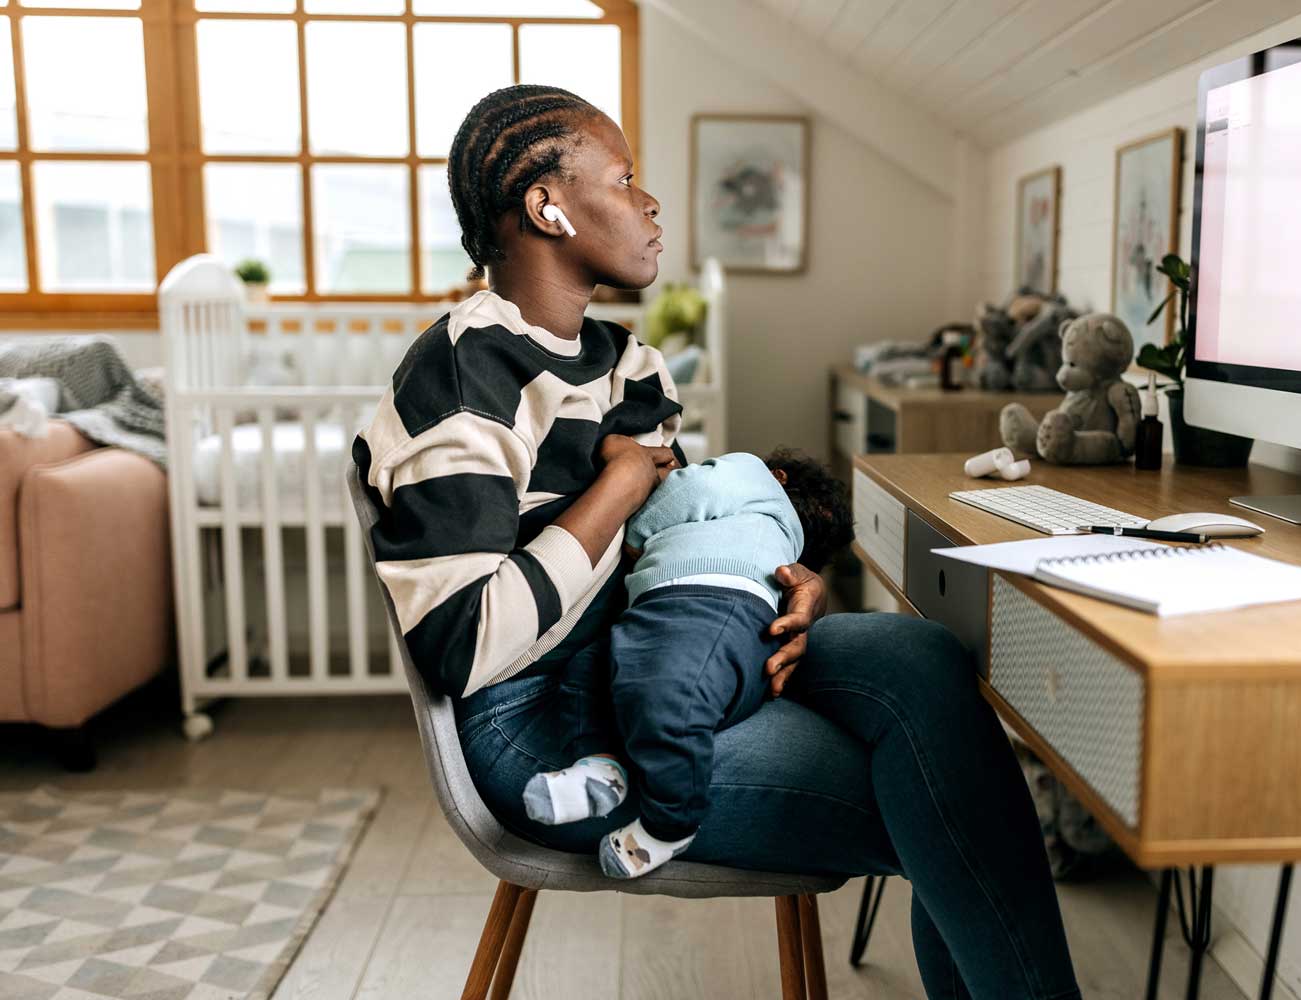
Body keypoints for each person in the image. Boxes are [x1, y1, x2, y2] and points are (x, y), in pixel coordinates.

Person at [353, 83, 1080, 1000]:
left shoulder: (625, 365)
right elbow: (459, 645)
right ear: (548, 206)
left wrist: (789, 581)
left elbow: (691, 529)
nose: (650, 203)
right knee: (949, 789)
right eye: (622, 180)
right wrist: (617, 488)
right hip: (547, 725)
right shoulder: (460, 379)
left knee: (927, 661)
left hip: (669, 641)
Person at [522, 449, 854, 880]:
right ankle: (600, 766)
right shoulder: (781, 538)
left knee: (672, 701)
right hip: (678, 616)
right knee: (587, 672)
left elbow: (692, 489)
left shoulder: (754, 476)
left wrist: (637, 534)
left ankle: (671, 823)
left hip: (713, 603)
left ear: (779, 475)